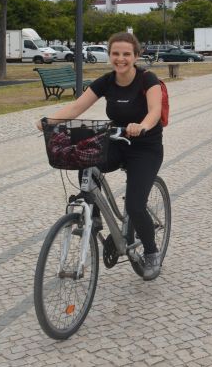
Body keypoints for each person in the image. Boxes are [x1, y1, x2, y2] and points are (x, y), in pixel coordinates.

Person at [38, 32, 165, 280]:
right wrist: (48, 122)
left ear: (136, 56)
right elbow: (77, 107)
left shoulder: (148, 80)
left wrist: (142, 125)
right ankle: (92, 213)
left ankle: (151, 252)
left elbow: (155, 111)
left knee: (135, 206)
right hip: (117, 141)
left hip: (145, 147)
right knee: (83, 154)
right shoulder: (106, 81)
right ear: (110, 56)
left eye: (126, 54)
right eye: (115, 54)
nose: (120, 59)